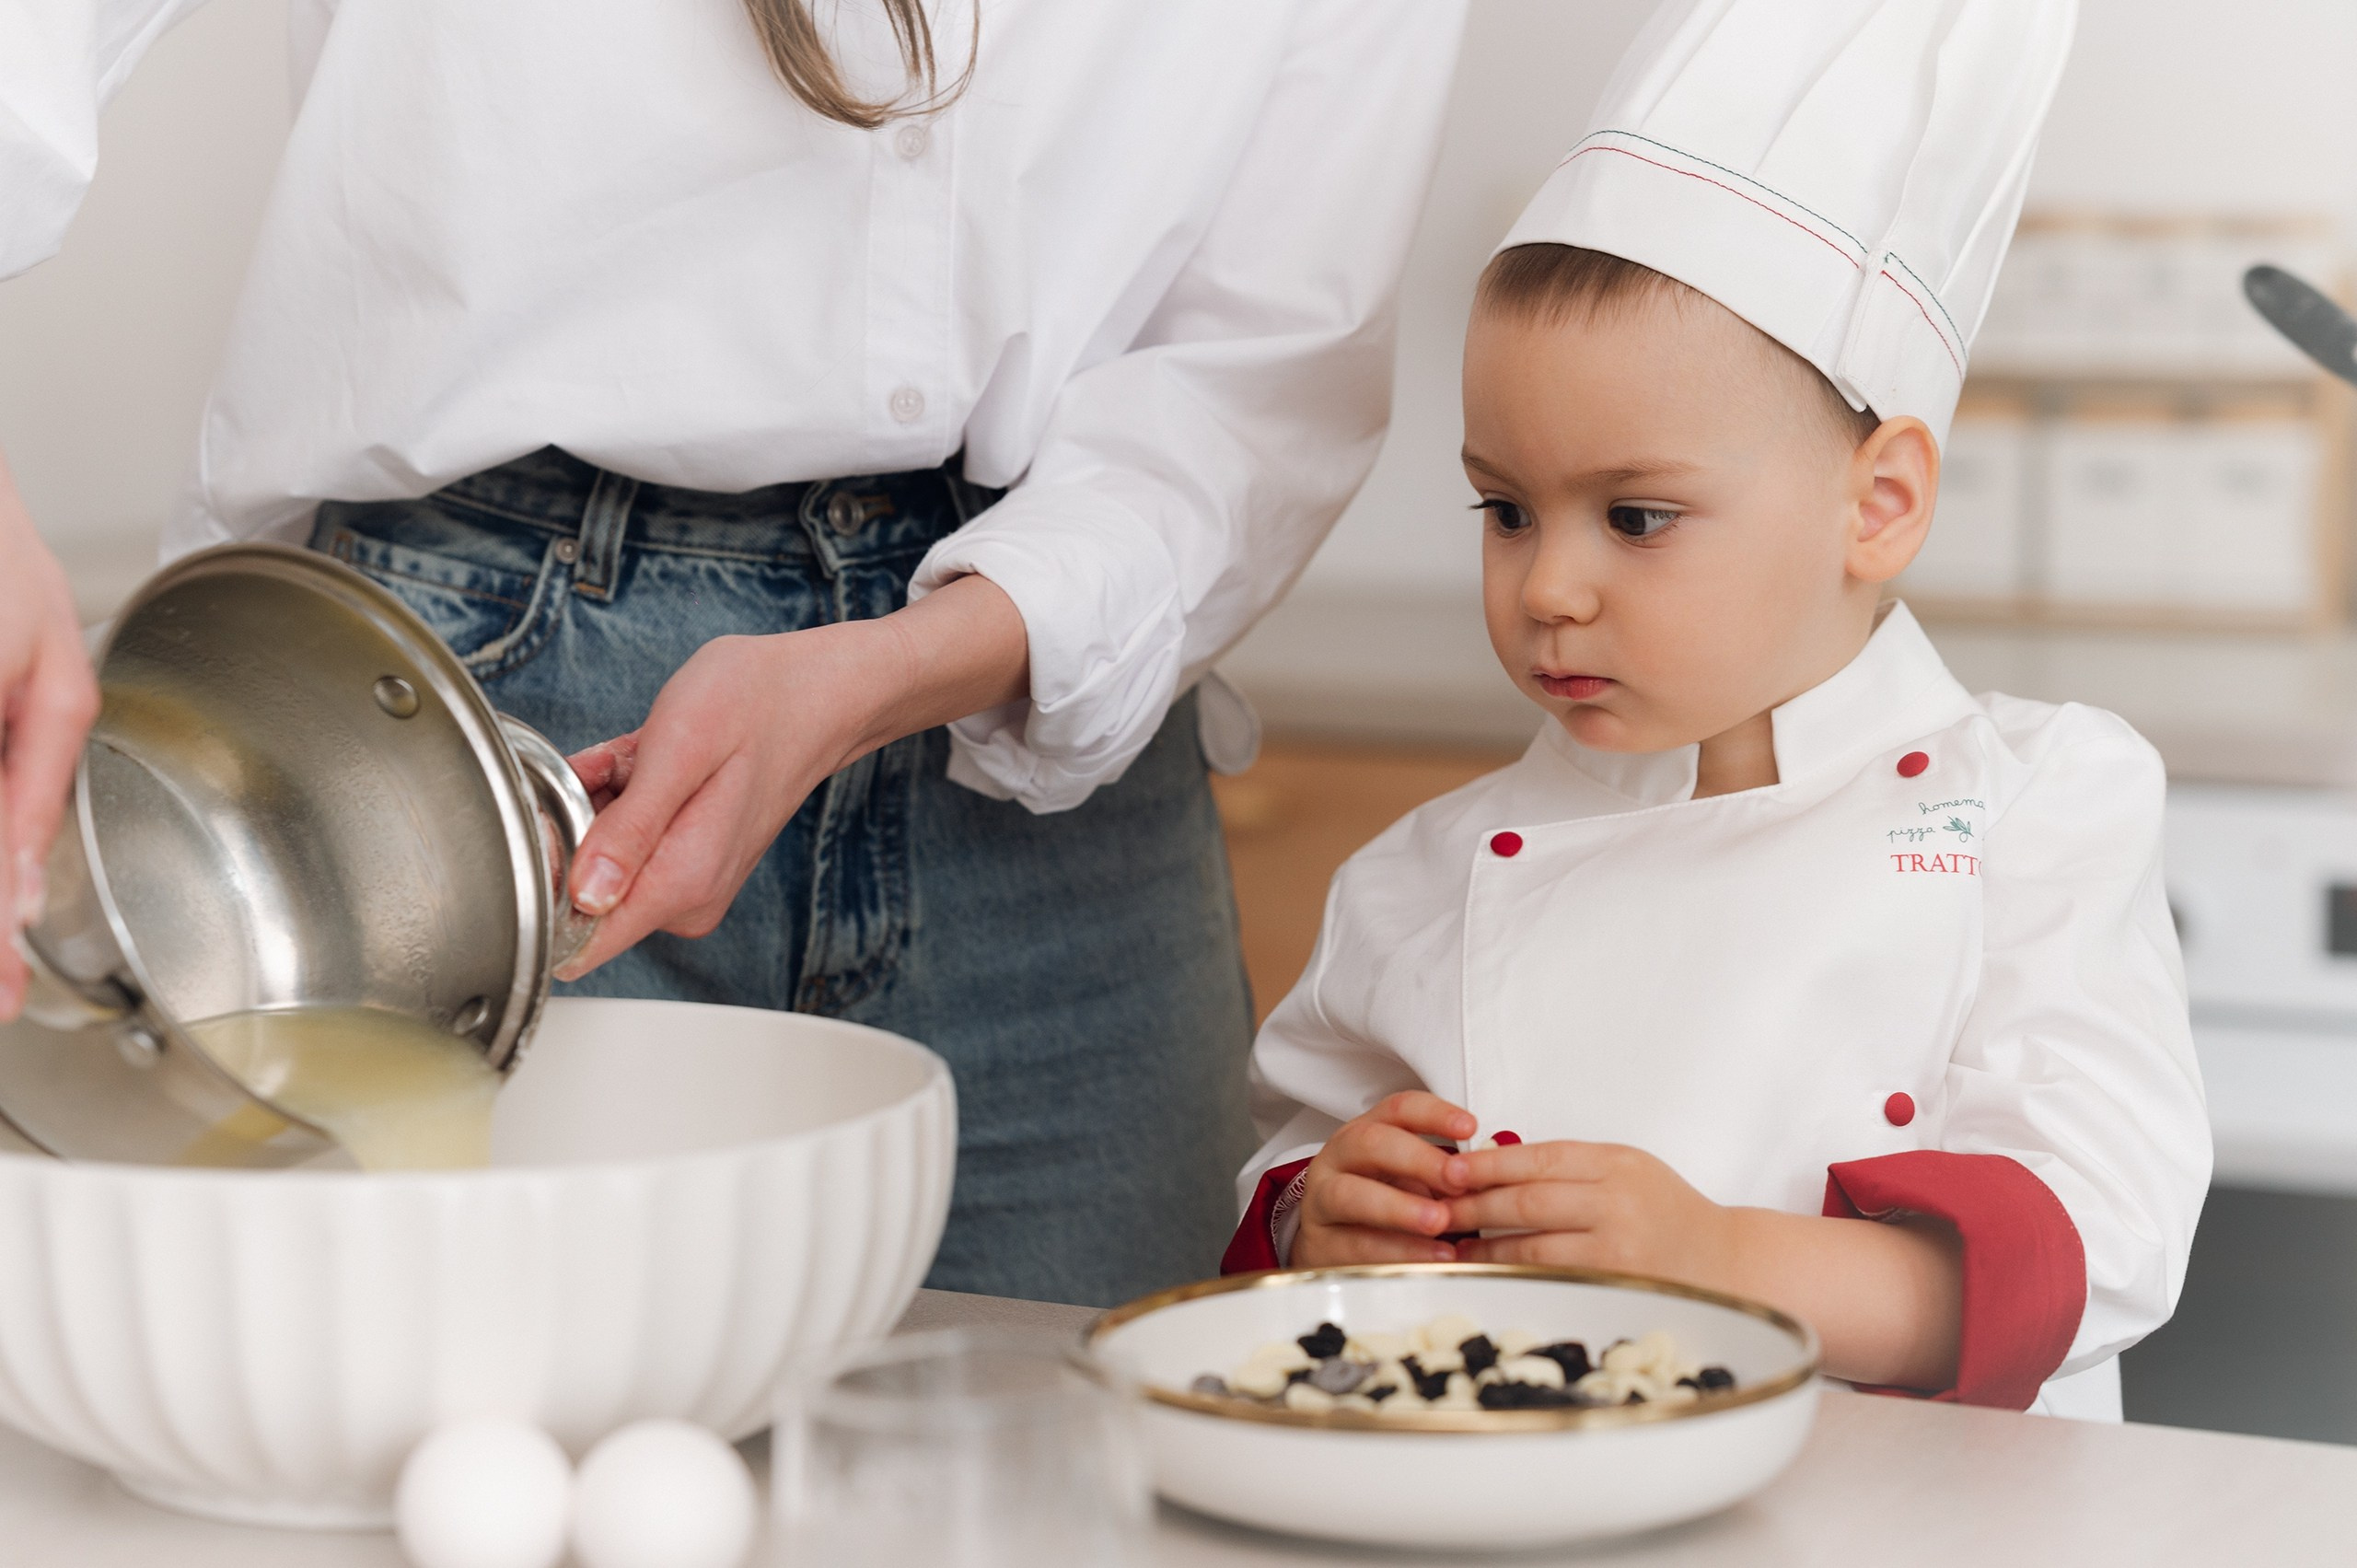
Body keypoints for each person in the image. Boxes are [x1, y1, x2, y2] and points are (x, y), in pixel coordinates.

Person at [0, 0, 1468, 1307]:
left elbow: (1264, 369)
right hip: (456, 731)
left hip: (1047, 746)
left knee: (1101, 1472)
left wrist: (912, 661)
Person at [1222, 0, 2212, 1418]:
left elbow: (2100, 1236)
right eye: (1504, 508)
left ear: (1879, 505)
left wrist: (1719, 1258)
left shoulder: (2028, 806)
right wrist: (1322, 1217)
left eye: (1635, 516)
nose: (1548, 586)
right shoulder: (1424, 872)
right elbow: (1284, 1195)